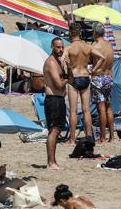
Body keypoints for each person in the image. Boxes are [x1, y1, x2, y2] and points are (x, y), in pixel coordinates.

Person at [44, 37, 70, 170]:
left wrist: (68, 67)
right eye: (57, 47)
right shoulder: (51, 63)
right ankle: (50, 162)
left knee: (57, 129)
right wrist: (67, 78)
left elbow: (66, 77)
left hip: (58, 99)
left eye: (62, 47)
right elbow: (59, 84)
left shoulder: (58, 62)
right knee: (53, 130)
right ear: (52, 47)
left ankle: (53, 161)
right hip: (53, 99)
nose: (60, 50)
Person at [65, 22, 93, 144]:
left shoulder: (69, 47)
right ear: (80, 32)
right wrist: (94, 68)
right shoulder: (88, 47)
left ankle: (72, 138)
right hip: (86, 76)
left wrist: (67, 67)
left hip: (74, 77)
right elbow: (101, 56)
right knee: (87, 110)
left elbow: (62, 60)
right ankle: (89, 135)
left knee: (73, 111)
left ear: (71, 33)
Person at [90, 24, 115, 143]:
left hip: (98, 77)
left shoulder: (95, 46)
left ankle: (103, 137)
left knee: (101, 109)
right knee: (108, 107)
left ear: (94, 32)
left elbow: (90, 61)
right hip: (109, 77)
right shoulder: (109, 45)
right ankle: (112, 136)